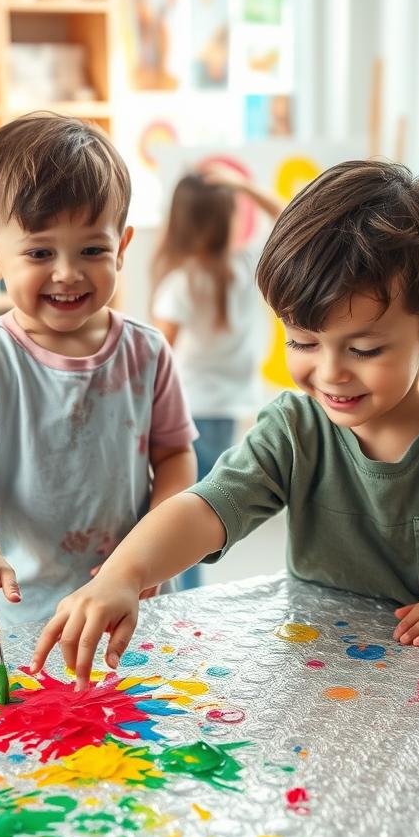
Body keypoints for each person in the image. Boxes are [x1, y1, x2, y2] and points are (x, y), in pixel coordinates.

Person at [29, 160, 419, 689]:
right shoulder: (295, 427)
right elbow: (206, 507)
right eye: (302, 341)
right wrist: (122, 575)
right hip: (325, 682)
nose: (329, 374)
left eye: (366, 349)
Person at [0, 112, 197, 640]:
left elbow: (175, 458)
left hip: (131, 596)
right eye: (39, 252)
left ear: (122, 247)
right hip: (29, 608)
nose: (68, 272)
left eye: (92, 250)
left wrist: (147, 553)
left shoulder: (147, 350)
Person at [150, 166, 283, 587]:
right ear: (226, 217)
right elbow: (288, 216)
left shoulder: (181, 283)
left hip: (188, 409)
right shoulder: (246, 266)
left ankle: (184, 592)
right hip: (223, 411)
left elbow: (156, 357)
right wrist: (244, 184)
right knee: (199, 507)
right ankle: (186, 590)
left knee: (185, 508)